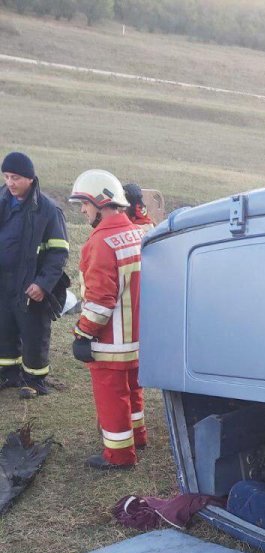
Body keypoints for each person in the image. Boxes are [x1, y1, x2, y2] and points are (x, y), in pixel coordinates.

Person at [69, 169, 147, 470]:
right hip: (136, 338)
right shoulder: (135, 233)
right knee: (132, 391)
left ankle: (119, 454)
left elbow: (100, 301)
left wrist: (82, 333)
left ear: (100, 202)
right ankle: (137, 437)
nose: (83, 211)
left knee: (112, 397)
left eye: (84, 204)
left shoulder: (100, 243)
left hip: (110, 342)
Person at [0, 151, 69, 398]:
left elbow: (59, 254)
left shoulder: (49, 210)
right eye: (7, 176)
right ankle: (8, 373)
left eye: (15, 177)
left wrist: (43, 284)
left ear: (30, 178)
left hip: (31, 283)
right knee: (3, 326)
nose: (10, 182)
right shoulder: (2, 199)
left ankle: (34, 379)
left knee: (33, 331)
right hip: (3, 281)